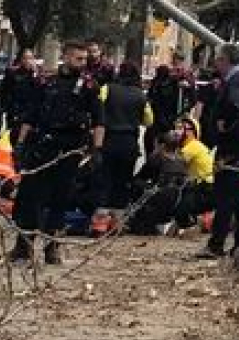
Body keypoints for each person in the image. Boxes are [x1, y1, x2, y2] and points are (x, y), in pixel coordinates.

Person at [11, 41, 105, 264]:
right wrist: (21, 144)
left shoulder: (89, 86)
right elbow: (31, 116)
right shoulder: (46, 82)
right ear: (66, 56)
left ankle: (52, 248)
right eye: (78, 58)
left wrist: (96, 149)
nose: (83, 63)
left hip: (70, 148)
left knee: (60, 199)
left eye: (85, 59)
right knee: (29, 196)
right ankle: (23, 247)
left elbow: (99, 122)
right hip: (43, 145)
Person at [199, 43, 239, 259]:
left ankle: (216, 244)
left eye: (217, 59)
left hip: (232, 147)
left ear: (225, 60)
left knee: (225, 195)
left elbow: (234, 106)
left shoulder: (236, 81)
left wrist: (224, 125)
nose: (215, 63)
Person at [95, 62, 153, 229]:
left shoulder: (107, 89)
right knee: (123, 181)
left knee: (105, 179)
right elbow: (149, 120)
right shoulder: (141, 96)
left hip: (109, 140)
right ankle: (117, 221)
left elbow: (98, 108)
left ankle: (100, 223)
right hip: (129, 143)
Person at [1, 49, 38, 140]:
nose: (28, 61)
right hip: (15, 113)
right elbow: (4, 91)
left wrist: (35, 74)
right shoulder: (12, 72)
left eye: (30, 58)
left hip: (30, 115)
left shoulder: (35, 74)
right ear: (21, 59)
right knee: (14, 138)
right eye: (25, 58)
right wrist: (7, 108)